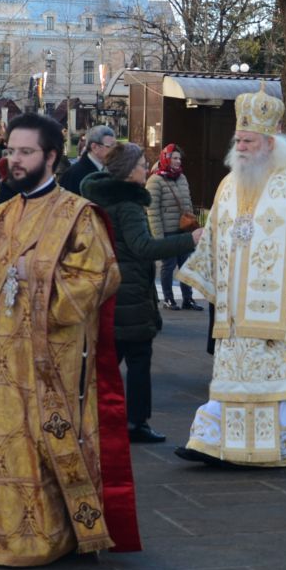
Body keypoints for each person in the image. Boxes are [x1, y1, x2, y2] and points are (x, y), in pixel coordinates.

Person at [0, 113, 135, 566]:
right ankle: (9, 537)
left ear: (51, 156)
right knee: (8, 449)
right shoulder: (0, 218)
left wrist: (38, 284)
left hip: (56, 356)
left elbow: (101, 275)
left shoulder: (76, 215)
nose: (14, 160)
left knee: (50, 444)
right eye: (10, 151)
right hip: (3, 361)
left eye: (25, 152)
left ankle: (62, 535)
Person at [175, 84, 286, 467]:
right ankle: (216, 443)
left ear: (270, 140)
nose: (242, 146)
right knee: (234, 379)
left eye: (249, 140)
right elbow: (215, 233)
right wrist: (209, 281)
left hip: (283, 310)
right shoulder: (228, 184)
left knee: (277, 382)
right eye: (239, 139)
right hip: (236, 312)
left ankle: (281, 445)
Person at [81, 143, 202, 442]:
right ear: (126, 170)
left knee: (109, 360)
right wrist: (191, 240)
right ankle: (136, 423)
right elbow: (143, 247)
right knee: (137, 358)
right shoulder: (129, 204)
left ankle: (92, 415)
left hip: (110, 287)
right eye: (140, 165)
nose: (145, 169)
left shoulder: (101, 195)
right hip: (129, 289)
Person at [145, 143, 200, 310]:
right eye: (174, 158)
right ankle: (168, 299)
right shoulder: (155, 180)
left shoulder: (182, 177)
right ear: (166, 158)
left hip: (183, 230)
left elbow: (188, 203)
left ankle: (188, 298)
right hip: (167, 232)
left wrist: (192, 226)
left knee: (186, 265)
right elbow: (152, 211)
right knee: (168, 266)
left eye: (179, 159)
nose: (177, 161)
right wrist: (158, 237)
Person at [59, 124, 115, 196]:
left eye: (116, 146)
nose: (115, 150)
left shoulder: (111, 170)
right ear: (94, 147)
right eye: (111, 146)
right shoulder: (73, 175)